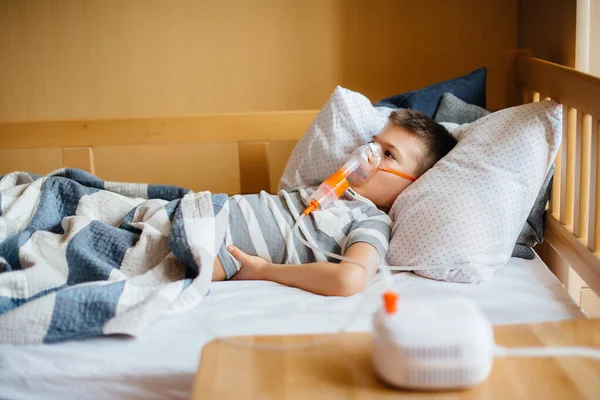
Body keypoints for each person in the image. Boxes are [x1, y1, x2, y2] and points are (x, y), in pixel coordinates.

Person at [212, 109, 457, 296]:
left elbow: (349, 279)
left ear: (413, 184)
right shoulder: (328, 188)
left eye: (388, 154)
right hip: (208, 208)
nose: (368, 153)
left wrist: (265, 271)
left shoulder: (372, 221)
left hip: (217, 246)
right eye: (373, 143)